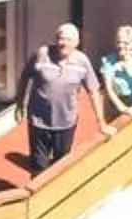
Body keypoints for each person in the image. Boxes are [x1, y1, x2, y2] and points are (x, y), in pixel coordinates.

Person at [18, 21, 105, 174]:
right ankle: (40, 196)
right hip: (39, 121)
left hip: (65, 122)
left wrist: (101, 122)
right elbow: (25, 77)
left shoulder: (82, 62)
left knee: (62, 164)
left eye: (68, 39)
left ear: (76, 43)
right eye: (60, 38)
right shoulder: (42, 54)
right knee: (39, 166)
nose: (63, 43)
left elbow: (94, 91)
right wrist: (20, 105)